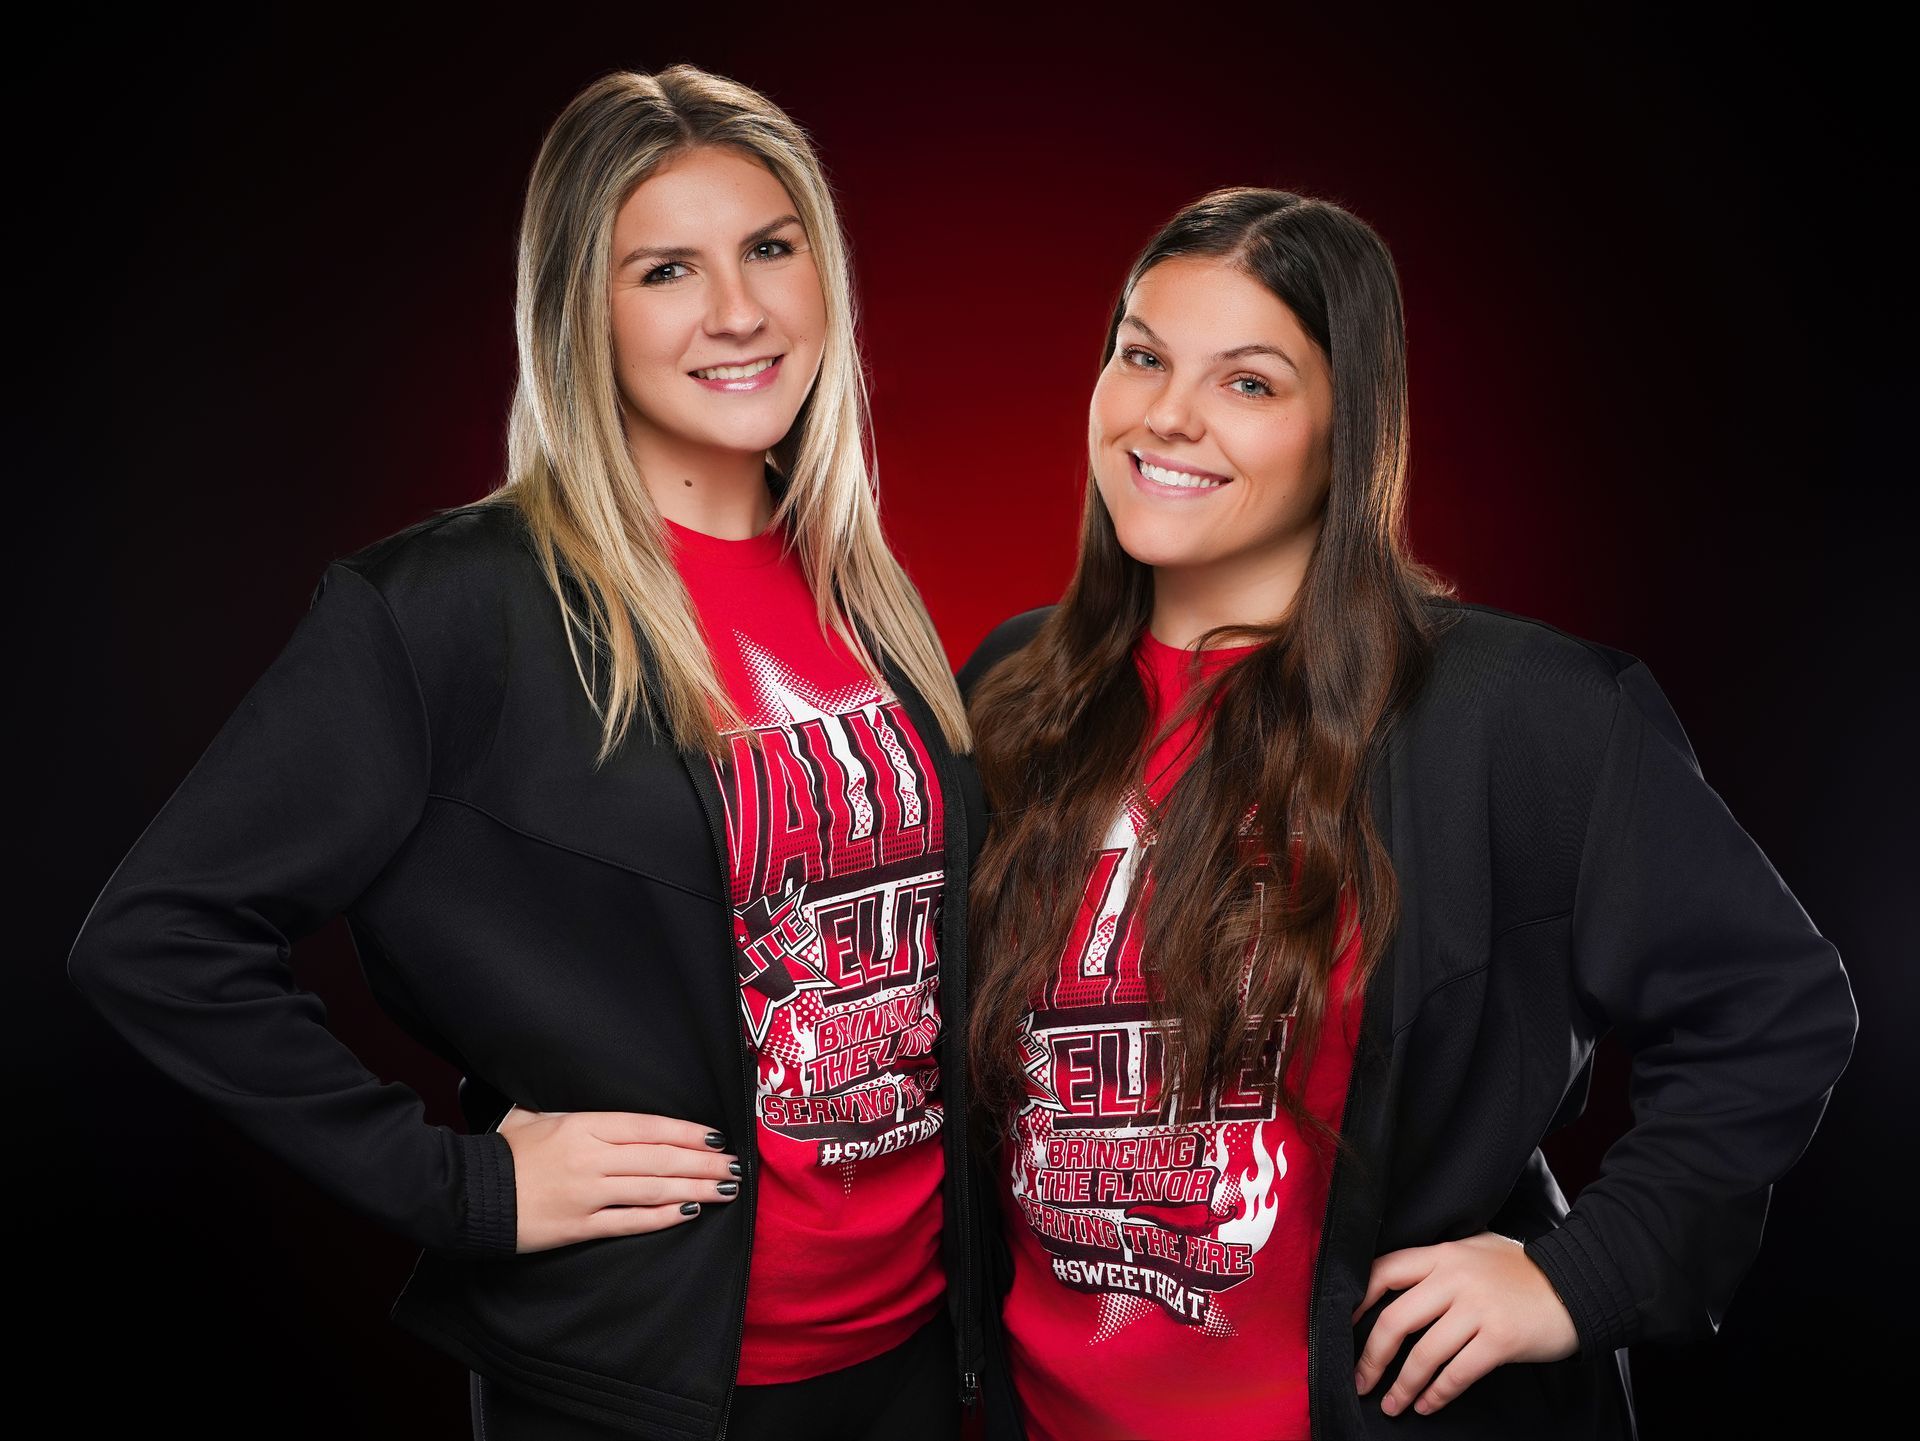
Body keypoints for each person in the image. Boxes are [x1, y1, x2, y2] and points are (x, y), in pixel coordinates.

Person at [66, 66, 982, 1441]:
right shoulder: (451, 606)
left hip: (914, 1361)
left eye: (771, 248)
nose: (740, 310)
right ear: (579, 311)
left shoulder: (856, 586)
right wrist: (460, 1188)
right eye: (666, 269)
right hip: (646, 1388)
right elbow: (154, 935)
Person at [955, 187, 1856, 1440]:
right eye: (1143, 354)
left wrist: (1577, 1276)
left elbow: (1773, 1004)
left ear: (1347, 424)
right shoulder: (1008, 693)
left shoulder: (1519, 715)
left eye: (1249, 382)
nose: (1166, 413)